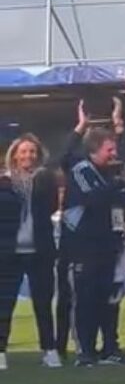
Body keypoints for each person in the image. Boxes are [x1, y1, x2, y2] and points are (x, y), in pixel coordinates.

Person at [61, 128, 125, 367]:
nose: (114, 153)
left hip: (108, 244)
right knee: (86, 299)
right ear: (94, 150)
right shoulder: (82, 169)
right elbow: (95, 197)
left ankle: (110, 348)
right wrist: (121, 184)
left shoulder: (108, 173)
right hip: (84, 246)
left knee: (110, 298)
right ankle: (85, 351)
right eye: (109, 149)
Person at [3, 133, 61, 368]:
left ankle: (49, 350)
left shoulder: (45, 179)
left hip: (40, 250)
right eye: (24, 151)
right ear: (14, 155)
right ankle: (0, 353)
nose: (28, 155)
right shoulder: (3, 182)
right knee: (4, 305)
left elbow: (51, 206)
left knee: (43, 303)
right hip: (9, 252)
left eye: (32, 152)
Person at [0, 163, 26, 370]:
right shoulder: (17, 194)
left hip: (9, 255)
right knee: (5, 307)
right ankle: (0, 352)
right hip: (13, 255)